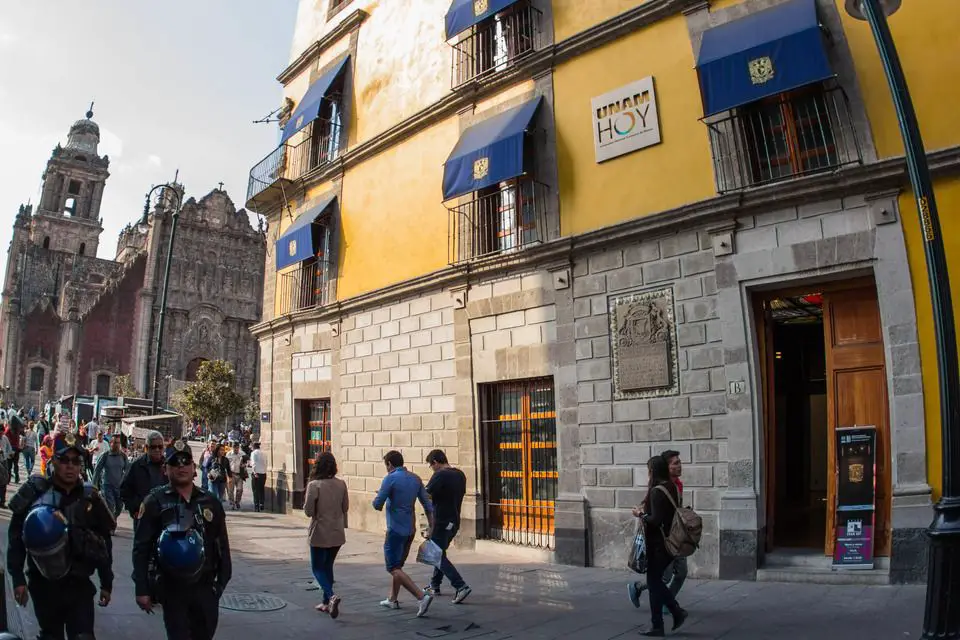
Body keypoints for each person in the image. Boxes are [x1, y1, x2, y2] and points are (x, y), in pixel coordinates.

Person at [6, 432, 115, 639]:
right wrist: (18, 578)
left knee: (83, 635)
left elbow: (104, 543)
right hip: (44, 584)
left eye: (76, 461)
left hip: (80, 583)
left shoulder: (90, 497)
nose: (70, 466)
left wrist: (106, 582)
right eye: (64, 460)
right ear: (54, 460)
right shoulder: (35, 492)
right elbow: (16, 540)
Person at [132, 440, 231, 639]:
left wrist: (220, 584)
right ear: (165, 469)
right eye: (175, 462)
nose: (181, 466)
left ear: (194, 468)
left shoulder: (210, 501)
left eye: (186, 462)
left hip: (205, 588)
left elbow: (222, 544)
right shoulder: (155, 501)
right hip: (172, 588)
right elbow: (141, 548)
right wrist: (142, 588)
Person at [372, 450, 435, 617]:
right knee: (398, 566)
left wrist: (379, 495)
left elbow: (377, 505)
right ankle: (392, 599)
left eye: (386, 465)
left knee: (393, 567)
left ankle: (421, 597)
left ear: (390, 464)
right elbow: (428, 506)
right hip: (410, 530)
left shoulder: (390, 478)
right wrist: (432, 527)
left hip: (395, 530)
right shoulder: (415, 478)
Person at [632, 456, 687, 637]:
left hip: (658, 545)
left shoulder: (657, 490)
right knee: (654, 583)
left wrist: (640, 514)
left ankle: (675, 612)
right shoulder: (671, 487)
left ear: (653, 471)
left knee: (654, 583)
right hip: (671, 542)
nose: (648, 474)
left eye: (649, 470)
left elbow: (655, 520)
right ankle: (659, 624)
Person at [423, 449, 471, 603]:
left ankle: (460, 586)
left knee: (435, 554)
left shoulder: (440, 475)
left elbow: (427, 494)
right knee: (439, 552)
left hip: (442, 520)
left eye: (431, 466)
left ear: (435, 462)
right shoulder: (460, 474)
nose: (432, 469)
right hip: (454, 520)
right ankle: (434, 585)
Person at [304, 452, 348, 618]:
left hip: (320, 531)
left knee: (317, 568)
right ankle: (325, 602)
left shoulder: (314, 485)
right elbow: (345, 507)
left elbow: (308, 511)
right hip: (337, 531)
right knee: (328, 566)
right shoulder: (341, 484)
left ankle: (330, 596)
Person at [120, 431, 167, 528]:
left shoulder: (169, 465)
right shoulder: (136, 465)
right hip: (143, 517)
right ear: (146, 448)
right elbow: (124, 490)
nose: (157, 450)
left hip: (164, 516)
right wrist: (134, 510)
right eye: (153, 447)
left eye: (160, 447)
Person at [93, 435, 130, 518]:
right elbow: (97, 471)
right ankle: (111, 524)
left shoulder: (123, 456)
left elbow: (128, 471)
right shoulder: (105, 455)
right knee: (110, 507)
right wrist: (94, 486)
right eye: (114, 442)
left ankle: (112, 519)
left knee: (119, 507)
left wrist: (127, 485)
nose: (116, 444)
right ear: (110, 443)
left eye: (118, 443)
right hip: (107, 487)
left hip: (119, 488)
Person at [225, 442, 247, 510]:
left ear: (238, 447)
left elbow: (247, 462)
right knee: (230, 490)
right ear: (232, 447)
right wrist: (228, 475)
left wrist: (244, 465)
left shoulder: (242, 454)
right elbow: (226, 465)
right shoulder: (228, 454)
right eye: (234, 447)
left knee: (240, 489)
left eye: (237, 448)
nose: (236, 449)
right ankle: (232, 503)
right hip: (231, 474)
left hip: (240, 474)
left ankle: (237, 502)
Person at [249, 441, 267, 512]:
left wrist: (255, 472)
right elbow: (266, 463)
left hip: (257, 473)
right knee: (261, 489)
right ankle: (262, 503)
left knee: (255, 490)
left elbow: (253, 463)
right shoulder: (264, 453)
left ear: (253, 447)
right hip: (263, 473)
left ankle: (256, 505)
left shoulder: (253, 453)